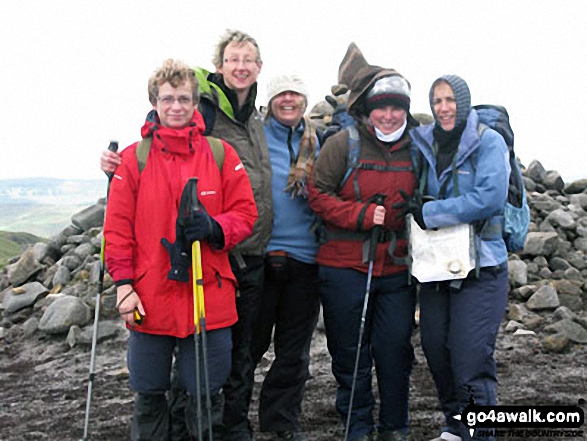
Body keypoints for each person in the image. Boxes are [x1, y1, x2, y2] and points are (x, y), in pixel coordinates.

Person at [101, 29, 272, 441]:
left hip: (208, 295)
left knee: (206, 396)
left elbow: (245, 214)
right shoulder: (133, 160)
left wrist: (217, 228)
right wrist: (124, 286)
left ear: (196, 103)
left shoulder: (219, 154)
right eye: (167, 99)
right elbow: (117, 230)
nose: (175, 106)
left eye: (183, 98)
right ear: (154, 104)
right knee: (150, 394)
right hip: (150, 296)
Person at [307, 43, 417, 441]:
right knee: (351, 357)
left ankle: (395, 428)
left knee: (394, 354)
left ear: (405, 109)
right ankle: (356, 427)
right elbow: (317, 193)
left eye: (397, 108)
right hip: (343, 269)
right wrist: (359, 215)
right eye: (381, 107)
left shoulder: (417, 147)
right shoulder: (343, 144)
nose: (389, 116)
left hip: (397, 270)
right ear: (367, 109)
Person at [405, 75, 510, 441]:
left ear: (463, 103)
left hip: (483, 266)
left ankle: (480, 435)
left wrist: (431, 213)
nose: (443, 108)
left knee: (470, 358)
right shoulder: (424, 143)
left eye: (450, 100)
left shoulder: (489, 142)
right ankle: (455, 426)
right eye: (437, 101)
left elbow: (490, 198)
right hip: (437, 265)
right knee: (436, 350)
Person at [249, 74, 321, 440]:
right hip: (259, 257)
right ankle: (233, 422)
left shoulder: (317, 140)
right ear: (271, 99)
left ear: (305, 100)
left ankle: (281, 424)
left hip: (306, 261)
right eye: (282, 93)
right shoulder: (254, 137)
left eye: (296, 93)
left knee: (294, 355)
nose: (289, 100)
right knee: (249, 347)